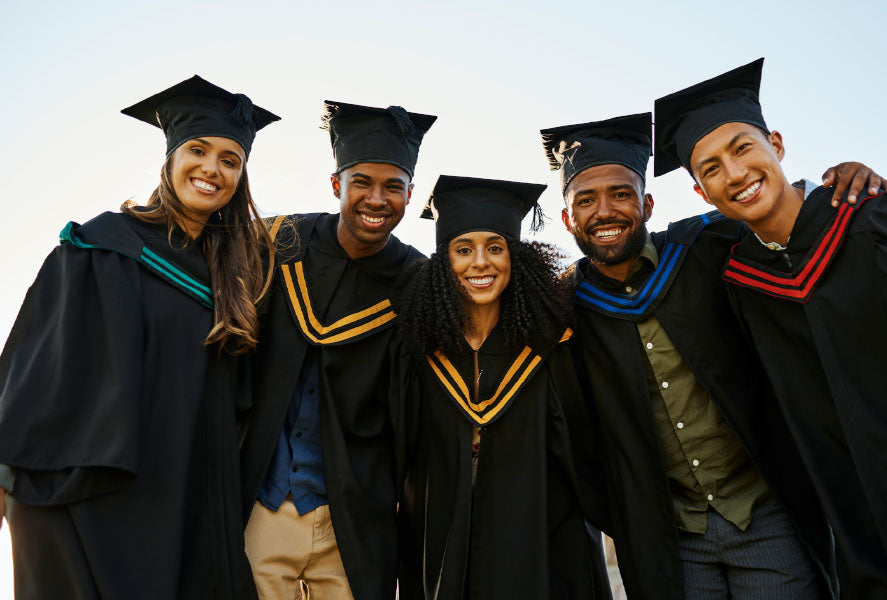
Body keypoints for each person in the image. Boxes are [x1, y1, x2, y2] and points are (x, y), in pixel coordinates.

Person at [654, 57, 887, 598]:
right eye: (711, 168)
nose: (736, 174)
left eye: (743, 148)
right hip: (865, 537)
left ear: (778, 144)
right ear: (702, 194)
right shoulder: (745, 284)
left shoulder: (876, 224)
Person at [542, 112, 887, 598]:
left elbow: (779, 215)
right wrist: (627, 514)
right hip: (670, 539)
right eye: (586, 200)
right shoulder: (560, 309)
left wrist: (834, 187)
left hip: (766, 516)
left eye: (622, 194)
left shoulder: (706, 246)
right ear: (567, 218)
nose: (605, 211)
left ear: (647, 202)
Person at [0, 75, 279, 599]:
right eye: (198, 150)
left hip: (185, 503)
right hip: (94, 499)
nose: (211, 169)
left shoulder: (233, 280)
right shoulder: (104, 246)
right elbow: (35, 370)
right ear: (170, 158)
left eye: (229, 159)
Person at [240, 102, 433, 600]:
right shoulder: (277, 242)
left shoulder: (418, 282)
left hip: (355, 516)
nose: (377, 198)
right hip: (263, 506)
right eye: (362, 182)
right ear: (335, 185)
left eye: (394, 186)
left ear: (410, 194)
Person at [390, 175, 612, 600]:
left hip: (537, 539)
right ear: (443, 262)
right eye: (463, 249)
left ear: (516, 258)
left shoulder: (551, 347)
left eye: (496, 247)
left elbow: (581, 448)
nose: (480, 263)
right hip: (439, 536)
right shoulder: (419, 352)